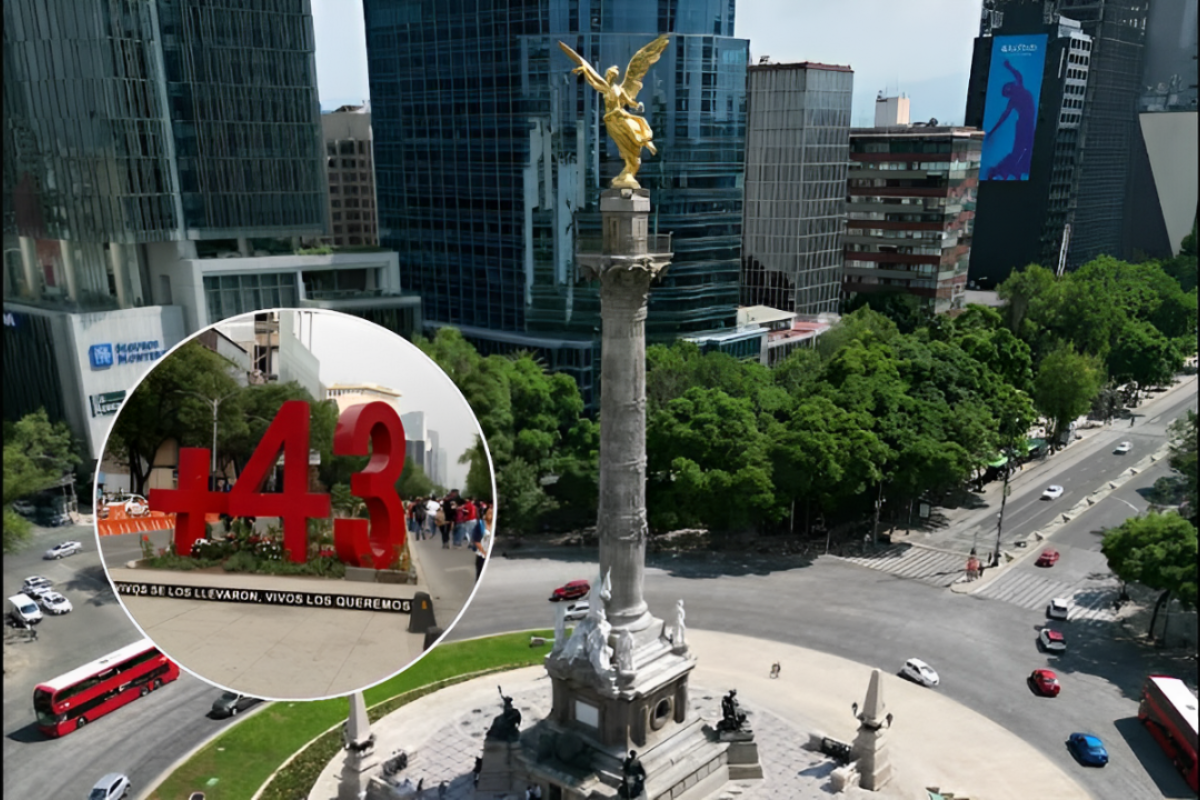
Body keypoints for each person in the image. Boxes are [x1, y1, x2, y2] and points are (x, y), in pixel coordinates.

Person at [985, 58, 1036, 180]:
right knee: (1020, 149)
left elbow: (1018, 75)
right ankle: (1001, 170)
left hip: (1028, 124)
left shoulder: (1019, 92)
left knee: (1027, 148)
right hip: (1024, 125)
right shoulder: (1014, 99)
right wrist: (992, 131)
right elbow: (1004, 117)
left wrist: (1009, 67)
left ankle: (1015, 169)